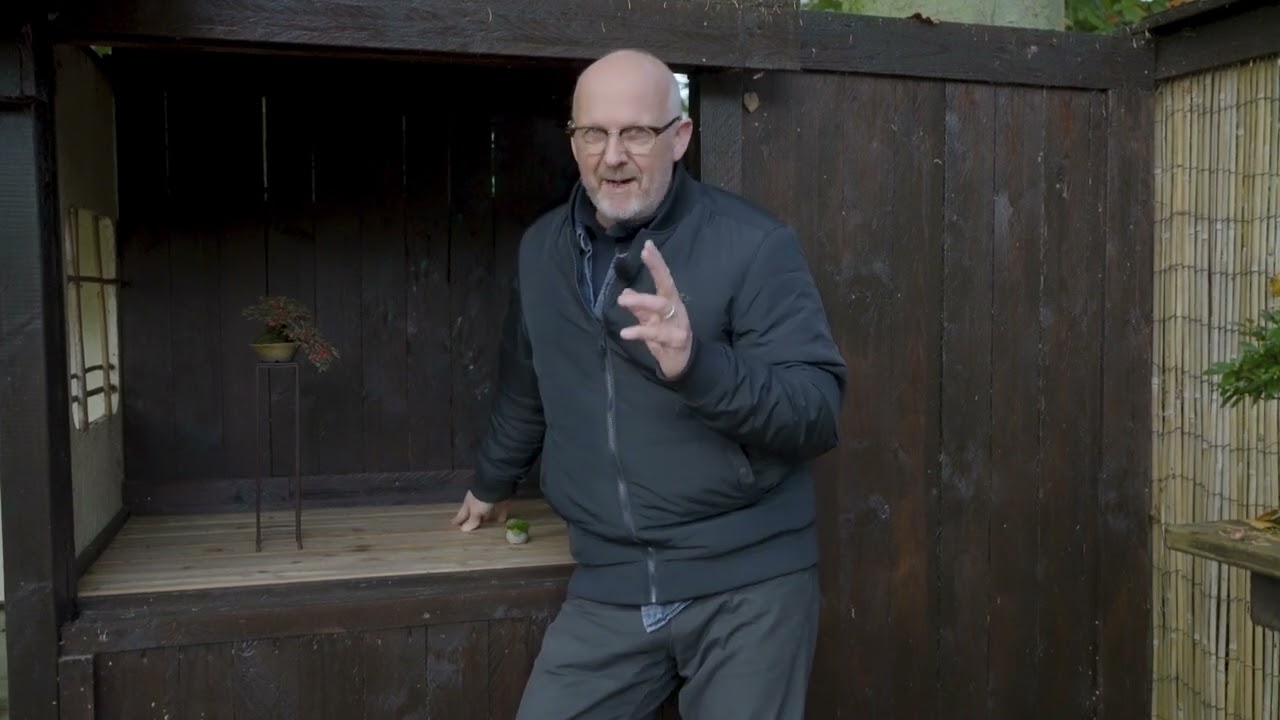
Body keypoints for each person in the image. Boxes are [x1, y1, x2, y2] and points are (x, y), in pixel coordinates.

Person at [451, 48, 847, 720]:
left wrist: (697, 364)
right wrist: (491, 482)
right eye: (593, 134)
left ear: (681, 137)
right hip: (610, 587)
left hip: (747, 584)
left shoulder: (752, 244)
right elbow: (527, 383)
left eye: (636, 132)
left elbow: (815, 412)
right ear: (573, 141)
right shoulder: (541, 250)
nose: (613, 156)